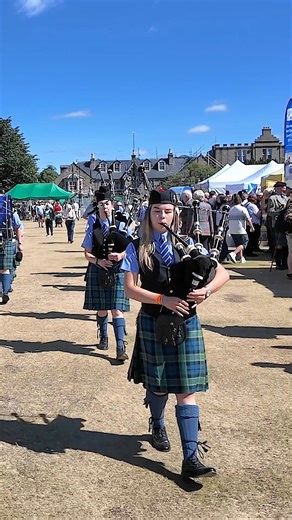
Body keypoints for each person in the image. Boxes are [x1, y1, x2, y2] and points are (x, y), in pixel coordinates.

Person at [121, 189, 229, 479]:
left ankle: (191, 458)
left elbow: (223, 274)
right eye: (157, 211)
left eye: (167, 211)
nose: (162, 216)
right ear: (149, 214)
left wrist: (206, 290)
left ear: (175, 215)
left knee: (186, 391)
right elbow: (130, 289)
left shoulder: (189, 245)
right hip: (154, 321)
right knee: (157, 386)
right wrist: (162, 300)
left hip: (186, 324)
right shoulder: (137, 246)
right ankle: (157, 423)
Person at [81, 186, 131, 362]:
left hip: (118, 271)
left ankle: (120, 346)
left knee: (116, 309)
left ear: (112, 205)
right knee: (102, 309)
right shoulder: (92, 225)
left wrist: (121, 255)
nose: (105, 207)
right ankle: (103, 337)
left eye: (108, 203)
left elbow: (131, 249)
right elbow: (87, 253)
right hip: (99, 269)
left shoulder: (122, 224)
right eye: (102, 204)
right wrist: (99, 261)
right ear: (98, 206)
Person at [267, 181, 288, 270]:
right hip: (277, 223)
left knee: (286, 244)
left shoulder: (286, 198)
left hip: (286, 223)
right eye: (283, 187)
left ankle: (285, 263)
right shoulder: (273, 198)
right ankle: (278, 263)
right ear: (278, 188)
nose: (284, 189)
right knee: (279, 244)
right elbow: (270, 212)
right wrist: (281, 212)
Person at [228, 194, 254, 263]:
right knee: (244, 243)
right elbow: (248, 219)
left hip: (232, 229)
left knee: (238, 244)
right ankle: (233, 253)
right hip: (241, 229)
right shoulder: (243, 209)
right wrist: (252, 227)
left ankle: (241, 258)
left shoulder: (231, 209)